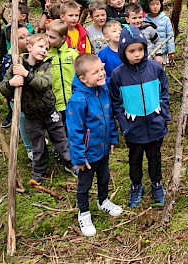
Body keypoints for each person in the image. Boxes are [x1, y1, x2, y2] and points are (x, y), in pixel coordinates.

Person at [0, 34, 78, 185]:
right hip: (31, 115)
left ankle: (70, 164)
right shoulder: (16, 65)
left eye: (47, 49)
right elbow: (3, 88)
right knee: (38, 144)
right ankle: (39, 171)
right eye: (40, 47)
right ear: (29, 47)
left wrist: (26, 75)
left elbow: (43, 84)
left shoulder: (47, 65)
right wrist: (11, 83)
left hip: (49, 111)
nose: (44, 51)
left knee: (61, 139)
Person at [109, 25, 171, 207]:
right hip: (133, 128)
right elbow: (115, 102)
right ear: (123, 52)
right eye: (131, 51)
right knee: (135, 157)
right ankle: (136, 185)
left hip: (155, 124)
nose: (137, 54)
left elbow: (164, 91)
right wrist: (124, 125)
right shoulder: (118, 75)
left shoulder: (155, 69)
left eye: (140, 49)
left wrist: (163, 114)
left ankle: (157, 183)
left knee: (155, 156)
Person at [66, 54, 122, 237]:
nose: (101, 74)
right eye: (95, 72)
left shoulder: (103, 90)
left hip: (103, 149)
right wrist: (79, 158)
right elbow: (74, 133)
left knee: (104, 177)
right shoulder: (78, 101)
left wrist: (113, 139)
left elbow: (109, 117)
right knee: (85, 185)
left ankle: (103, 201)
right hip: (87, 156)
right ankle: (84, 213)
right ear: (83, 79)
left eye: (102, 69)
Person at [0, 24, 33, 160]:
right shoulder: (9, 60)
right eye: (22, 37)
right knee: (24, 124)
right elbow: (3, 83)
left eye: (28, 35)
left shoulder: (33, 54)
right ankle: (30, 147)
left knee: (35, 122)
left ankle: (37, 141)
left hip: (34, 98)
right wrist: (11, 84)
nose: (27, 39)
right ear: (13, 41)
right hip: (19, 100)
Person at [0, 2, 34, 128]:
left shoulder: (29, 30)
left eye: (12, 13)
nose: (10, 16)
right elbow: (3, 47)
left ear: (23, 16)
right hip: (12, 59)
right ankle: (12, 111)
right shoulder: (6, 30)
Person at [45, 20, 78, 127]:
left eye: (52, 37)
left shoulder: (73, 54)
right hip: (54, 102)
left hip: (72, 101)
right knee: (58, 130)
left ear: (63, 38)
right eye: (47, 36)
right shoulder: (44, 56)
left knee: (73, 127)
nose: (48, 40)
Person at [144, 0, 175, 64]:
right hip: (149, 52)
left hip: (162, 51)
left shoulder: (165, 19)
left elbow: (170, 35)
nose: (155, 7)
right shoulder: (145, 20)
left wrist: (171, 51)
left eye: (157, 4)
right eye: (152, 4)